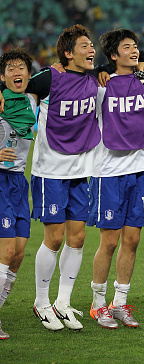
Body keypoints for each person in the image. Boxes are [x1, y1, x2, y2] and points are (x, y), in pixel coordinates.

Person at [88, 28, 144, 329]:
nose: (133, 50)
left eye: (136, 46)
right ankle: (98, 305)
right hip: (108, 173)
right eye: (126, 47)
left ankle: (119, 303)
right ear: (113, 55)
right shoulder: (100, 86)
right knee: (109, 242)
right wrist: (98, 71)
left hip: (138, 171)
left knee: (132, 240)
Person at [26, 24, 101, 331]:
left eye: (92, 45)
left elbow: (135, 64)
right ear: (69, 53)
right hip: (50, 171)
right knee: (54, 238)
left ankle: (63, 302)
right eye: (85, 46)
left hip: (80, 171)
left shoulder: (98, 76)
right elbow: (19, 89)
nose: (91, 50)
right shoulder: (48, 77)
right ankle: (41, 302)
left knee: (78, 238)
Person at [0, 48, 38, 339]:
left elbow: (59, 73)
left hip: (18, 182)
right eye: (10, 69)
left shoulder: (31, 99)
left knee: (19, 253)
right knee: (7, 250)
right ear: (2, 77)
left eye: (22, 68)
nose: (17, 72)